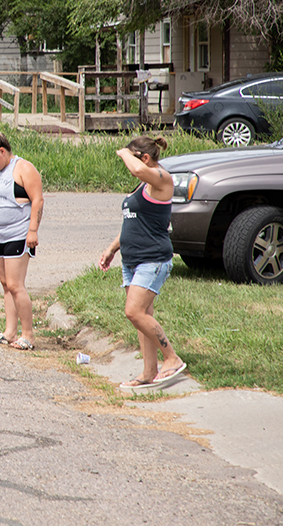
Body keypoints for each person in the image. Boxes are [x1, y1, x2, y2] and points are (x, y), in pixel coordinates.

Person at [98, 136, 187, 391]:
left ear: (144, 158)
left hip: (153, 259)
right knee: (142, 316)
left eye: (132, 157)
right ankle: (149, 371)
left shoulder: (161, 179)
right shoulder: (142, 186)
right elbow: (132, 222)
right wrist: (112, 248)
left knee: (133, 312)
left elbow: (137, 168)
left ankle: (172, 358)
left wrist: (123, 152)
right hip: (132, 260)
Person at [0, 125, 43, 351]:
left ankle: (28, 335)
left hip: (18, 234)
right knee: (6, 285)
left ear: (2, 151)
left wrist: (32, 230)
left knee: (16, 285)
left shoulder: (22, 168)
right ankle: (9, 332)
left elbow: (37, 200)